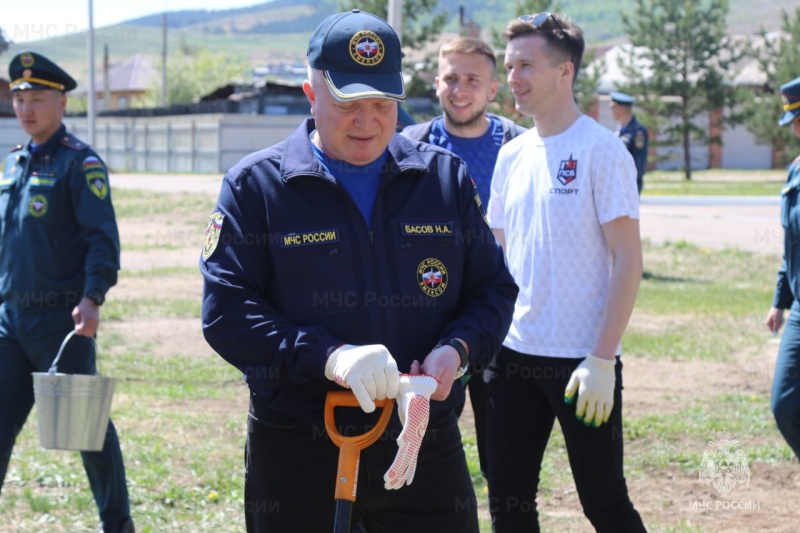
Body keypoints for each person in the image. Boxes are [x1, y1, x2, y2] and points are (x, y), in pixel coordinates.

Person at [199, 9, 518, 533]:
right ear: (311, 94)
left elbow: (492, 289)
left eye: (381, 104)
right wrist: (329, 357)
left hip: (421, 441)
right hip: (300, 446)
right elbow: (227, 314)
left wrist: (457, 349)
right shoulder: (256, 187)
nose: (367, 121)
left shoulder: (442, 179)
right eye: (349, 104)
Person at [484, 13, 647, 532]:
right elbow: (501, 258)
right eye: (510, 65)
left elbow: (628, 259)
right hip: (510, 356)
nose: (513, 76)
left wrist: (602, 357)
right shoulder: (510, 156)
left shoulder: (602, 151)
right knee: (508, 500)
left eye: (526, 64)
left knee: (604, 502)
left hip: (581, 365)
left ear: (565, 72)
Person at [0, 52, 134, 533]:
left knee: (89, 434)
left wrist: (92, 297)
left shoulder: (81, 164)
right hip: (11, 325)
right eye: (19, 98)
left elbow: (103, 239)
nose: (26, 108)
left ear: (60, 102)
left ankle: (118, 524)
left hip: (61, 324)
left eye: (37, 98)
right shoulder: (13, 164)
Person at [402, 35, 526, 479]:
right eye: (450, 77)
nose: (459, 89)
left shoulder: (520, 148)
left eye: (472, 79)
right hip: (431, 319)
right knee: (426, 444)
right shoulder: (407, 147)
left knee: (504, 458)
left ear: (493, 89)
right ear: (436, 82)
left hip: (498, 320)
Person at [764, 75, 800, 461]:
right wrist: (780, 299)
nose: (795, 128)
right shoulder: (796, 170)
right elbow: (792, 244)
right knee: (785, 406)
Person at [610, 91, 649, 194]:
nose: (612, 111)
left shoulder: (638, 131)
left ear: (620, 108)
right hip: (618, 183)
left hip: (629, 184)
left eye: (613, 108)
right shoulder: (620, 130)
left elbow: (639, 162)